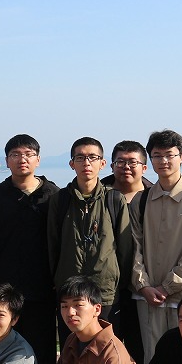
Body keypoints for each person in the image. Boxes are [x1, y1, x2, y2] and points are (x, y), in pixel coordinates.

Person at [0, 134, 59, 364]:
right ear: (6, 161)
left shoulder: (54, 196)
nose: (22, 159)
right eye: (15, 155)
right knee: (2, 347)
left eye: (28, 154)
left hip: (42, 289)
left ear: (38, 159)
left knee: (42, 349)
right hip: (4, 290)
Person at [131, 129, 182, 364]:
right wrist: (143, 285)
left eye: (170, 155)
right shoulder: (141, 200)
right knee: (152, 359)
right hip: (148, 299)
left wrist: (167, 286)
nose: (163, 161)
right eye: (157, 156)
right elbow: (134, 247)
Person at [47, 137, 133, 335]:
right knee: (71, 346)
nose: (86, 163)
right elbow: (52, 246)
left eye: (93, 157)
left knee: (105, 344)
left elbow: (125, 248)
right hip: (69, 291)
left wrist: (118, 283)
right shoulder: (60, 200)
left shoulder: (114, 199)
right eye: (80, 158)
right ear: (72, 164)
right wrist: (58, 280)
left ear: (102, 163)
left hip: (105, 291)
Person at [102, 140, 153, 364]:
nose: (126, 167)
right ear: (111, 165)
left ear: (144, 167)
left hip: (145, 285)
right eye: (120, 162)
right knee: (106, 349)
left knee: (140, 348)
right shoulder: (99, 195)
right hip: (108, 287)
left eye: (133, 162)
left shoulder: (155, 197)